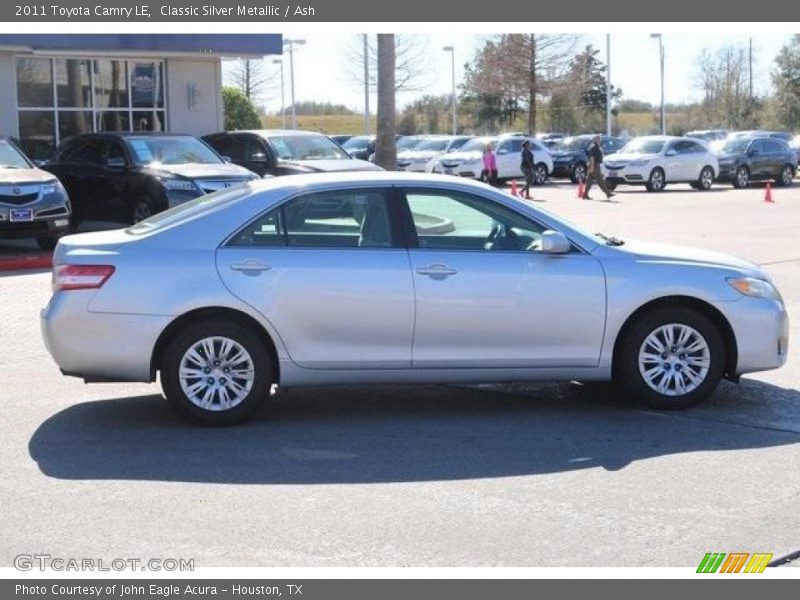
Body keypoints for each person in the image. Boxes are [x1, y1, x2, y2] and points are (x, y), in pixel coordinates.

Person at [583, 135, 615, 201]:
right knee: (600, 180)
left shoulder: (597, 147)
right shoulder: (594, 148)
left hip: (595, 165)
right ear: (595, 140)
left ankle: (585, 195)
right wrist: (592, 166)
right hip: (595, 166)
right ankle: (608, 193)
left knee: (589, 181)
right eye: (598, 139)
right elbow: (592, 158)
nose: (599, 140)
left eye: (599, 139)